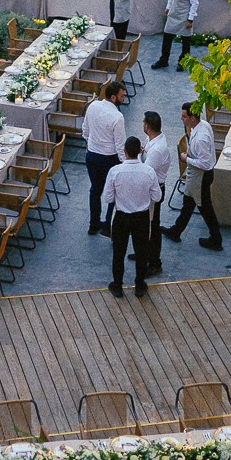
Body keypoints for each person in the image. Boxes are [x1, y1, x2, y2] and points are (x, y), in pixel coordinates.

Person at [102, 136, 162, 298]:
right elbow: (157, 196)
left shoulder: (115, 171)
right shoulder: (148, 171)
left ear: (125, 151)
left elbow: (107, 198)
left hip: (121, 217)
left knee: (118, 253)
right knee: (142, 252)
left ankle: (117, 285)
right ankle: (140, 285)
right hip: (141, 218)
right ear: (139, 152)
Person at [162, 100, 222, 250]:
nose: (181, 119)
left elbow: (205, 163)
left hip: (200, 176)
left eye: (184, 117)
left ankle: (216, 239)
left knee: (205, 208)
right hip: (196, 175)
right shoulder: (203, 125)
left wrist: (185, 159)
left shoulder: (201, 138)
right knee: (188, 203)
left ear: (192, 118)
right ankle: (176, 231)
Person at [83, 78, 128, 237]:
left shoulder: (93, 105)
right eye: (122, 96)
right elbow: (120, 144)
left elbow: (85, 130)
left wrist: (90, 145)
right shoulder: (117, 117)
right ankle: (108, 224)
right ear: (114, 97)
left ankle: (93, 224)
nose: (124, 98)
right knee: (114, 192)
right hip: (110, 160)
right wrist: (125, 163)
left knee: (95, 190)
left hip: (92, 156)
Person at [151, 0, 199, 71]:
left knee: (185, 40)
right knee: (167, 36)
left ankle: (183, 61)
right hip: (174, 13)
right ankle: (164, 60)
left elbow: (195, 2)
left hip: (184, 14)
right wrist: (168, 7)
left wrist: (190, 19)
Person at [141, 109, 171, 276]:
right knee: (148, 224)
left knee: (152, 226)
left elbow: (146, 173)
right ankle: (146, 253)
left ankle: (154, 262)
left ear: (147, 126)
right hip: (154, 186)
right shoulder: (153, 139)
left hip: (154, 189)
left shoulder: (157, 150)